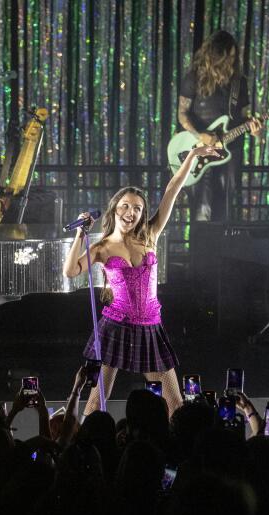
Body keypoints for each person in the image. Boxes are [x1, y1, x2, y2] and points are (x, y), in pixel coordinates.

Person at [62, 145, 218, 417]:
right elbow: (70, 271)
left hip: (150, 327)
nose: (130, 212)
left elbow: (172, 189)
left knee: (175, 402)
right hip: (116, 326)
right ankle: (83, 443)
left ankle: (173, 449)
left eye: (137, 208)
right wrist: (80, 235)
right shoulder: (101, 248)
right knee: (99, 399)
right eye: (125, 206)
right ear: (114, 210)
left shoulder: (150, 235)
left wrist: (192, 156)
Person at [177, 30, 262, 222]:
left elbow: (243, 117)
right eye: (227, 57)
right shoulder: (194, 78)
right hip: (199, 148)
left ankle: (224, 246)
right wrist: (200, 135)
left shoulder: (239, 83)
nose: (231, 61)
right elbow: (182, 114)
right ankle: (200, 248)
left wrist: (254, 129)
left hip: (231, 147)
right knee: (202, 204)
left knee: (226, 201)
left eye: (233, 57)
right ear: (214, 57)